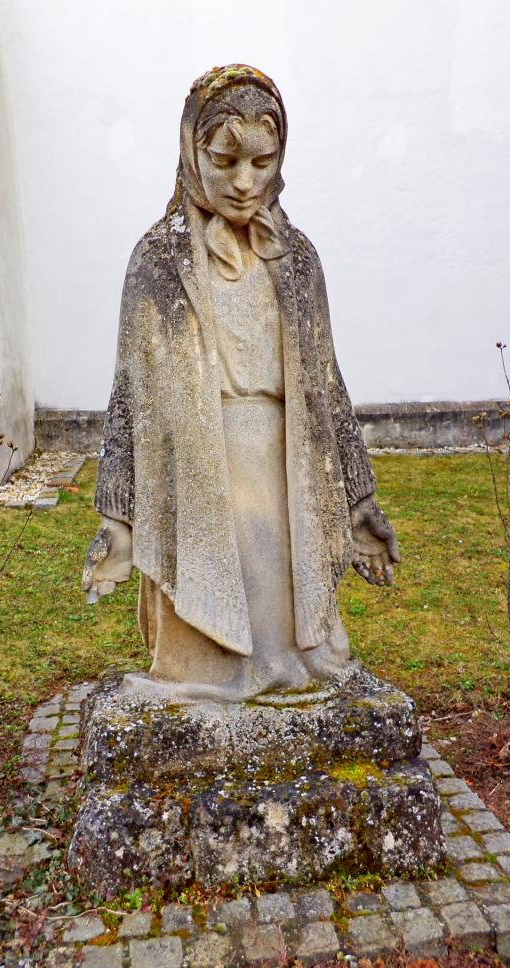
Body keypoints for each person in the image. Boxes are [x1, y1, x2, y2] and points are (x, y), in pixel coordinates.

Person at [82, 64, 399, 702]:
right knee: (209, 631)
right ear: (191, 151)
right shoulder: (160, 260)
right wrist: (117, 518)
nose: (244, 181)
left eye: (262, 161)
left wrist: (359, 500)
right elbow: (130, 394)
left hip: (287, 465)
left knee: (294, 628)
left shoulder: (297, 258)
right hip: (198, 465)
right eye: (225, 161)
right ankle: (205, 669)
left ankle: (288, 664)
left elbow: (327, 385)